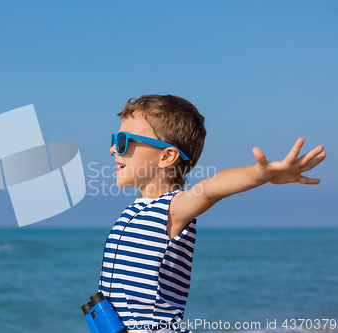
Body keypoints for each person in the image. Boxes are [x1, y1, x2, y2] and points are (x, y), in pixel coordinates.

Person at [98, 94, 326, 333]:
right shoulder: (135, 211)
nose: (113, 148)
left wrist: (262, 174)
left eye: (124, 141)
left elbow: (212, 189)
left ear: (166, 156)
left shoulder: (172, 208)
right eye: (115, 138)